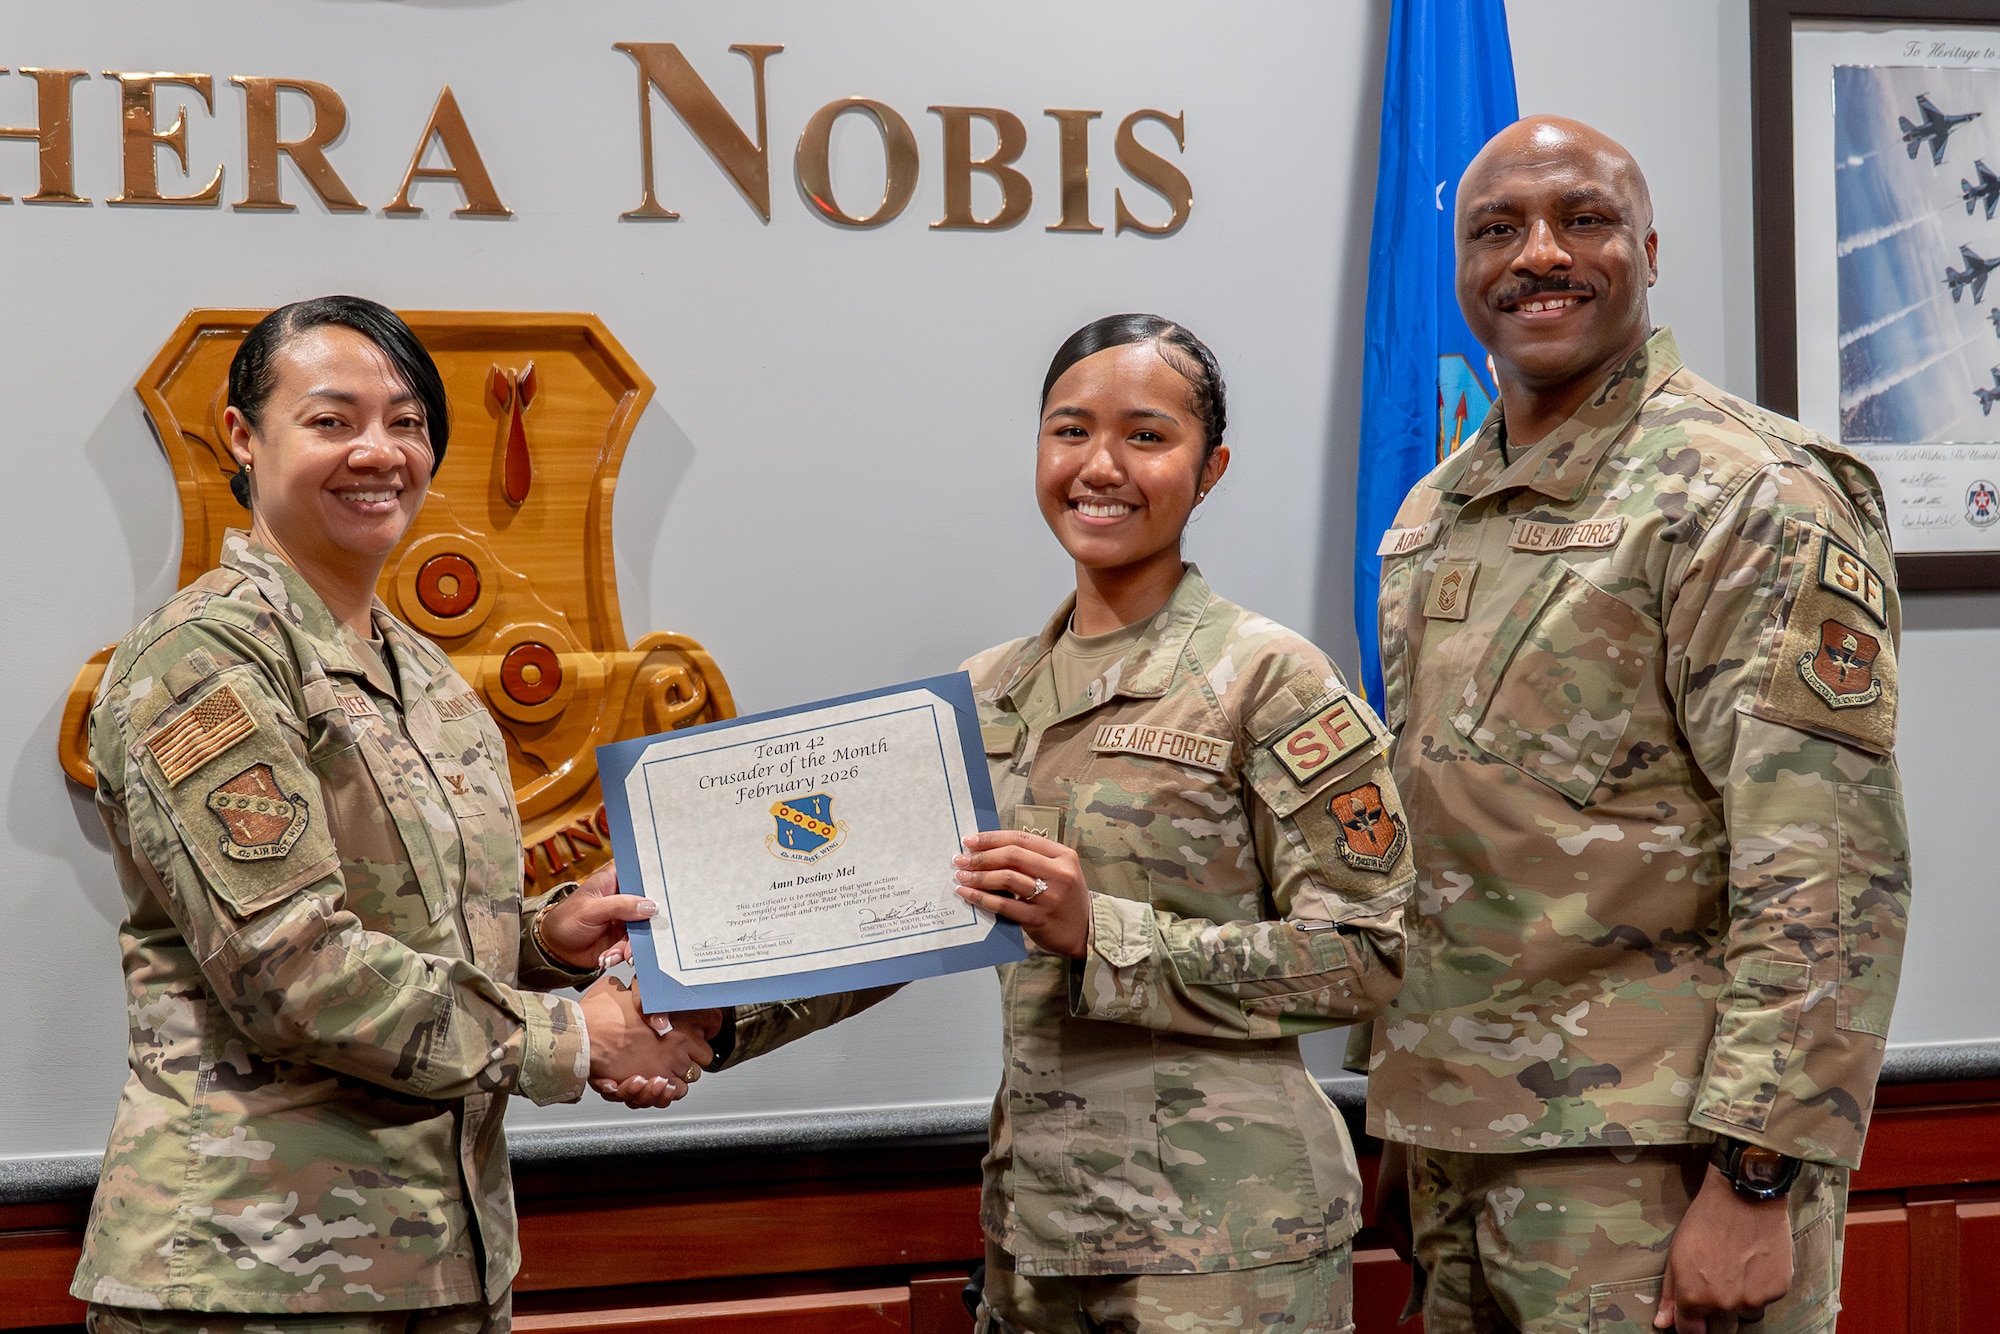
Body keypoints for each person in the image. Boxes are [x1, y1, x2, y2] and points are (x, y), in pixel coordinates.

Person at [695, 315, 1412, 1334]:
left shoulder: (1268, 680)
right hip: (1035, 1237)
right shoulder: (984, 693)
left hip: (1224, 1249)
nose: (1100, 465)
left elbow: (1366, 956)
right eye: (1069, 430)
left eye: (1146, 436)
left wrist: (1101, 931)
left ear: (1209, 468)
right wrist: (707, 1015)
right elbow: (886, 920)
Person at [74, 296, 720, 1332]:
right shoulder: (202, 661)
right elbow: (294, 970)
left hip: (441, 1261)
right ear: (243, 436)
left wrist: (549, 937)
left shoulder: (424, 674)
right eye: (333, 420)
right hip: (250, 1276)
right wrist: (573, 1038)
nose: (378, 451)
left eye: (407, 422)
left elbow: (422, 928)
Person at [1366, 118, 1910, 1334]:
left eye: (1582, 219)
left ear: (1648, 250)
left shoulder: (1743, 491)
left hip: (1658, 1166)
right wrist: (1414, 1104)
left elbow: (1825, 866)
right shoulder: (1434, 511)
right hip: (1461, 1152)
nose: (1537, 254)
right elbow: (1447, 829)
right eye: (1496, 229)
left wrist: (1756, 1173)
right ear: (1460, 268)